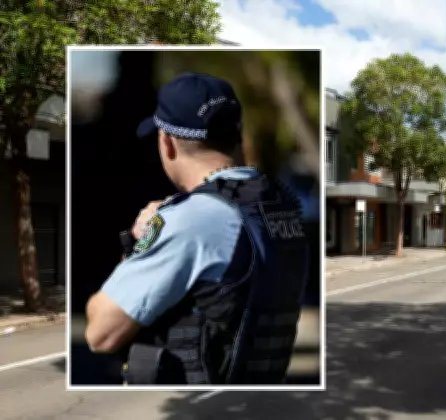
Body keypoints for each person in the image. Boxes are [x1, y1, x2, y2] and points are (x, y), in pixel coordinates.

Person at [83, 73, 310, 385]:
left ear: (167, 143)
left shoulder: (191, 219)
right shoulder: (279, 207)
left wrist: (142, 243)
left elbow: (101, 334)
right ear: (237, 132)